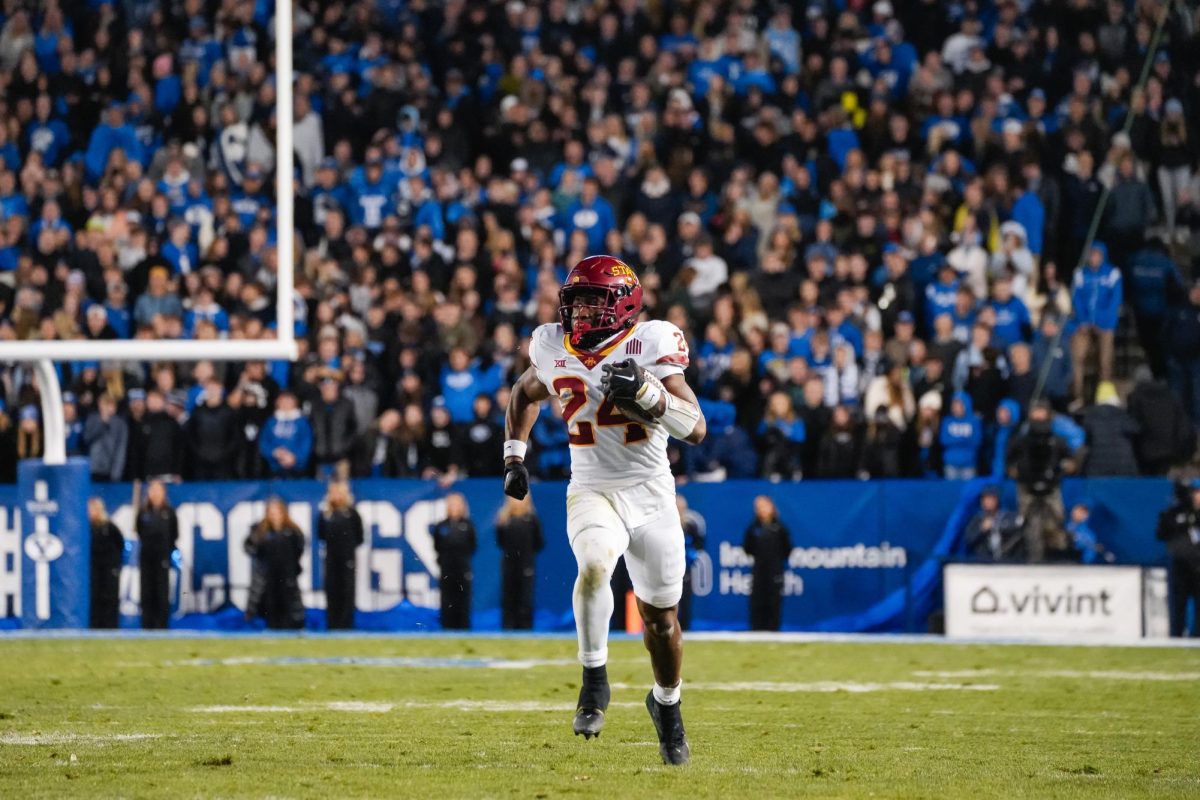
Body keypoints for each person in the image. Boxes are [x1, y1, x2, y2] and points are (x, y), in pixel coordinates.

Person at [502, 255, 707, 765]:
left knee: (662, 621)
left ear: (625, 304)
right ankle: (594, 680)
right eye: (576, 301)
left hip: (651, 493)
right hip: (591, 487)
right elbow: (524, 393)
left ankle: (667, 706)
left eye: (595, 300)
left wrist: (650, 396)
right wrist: (514, 455)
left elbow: (696, 427)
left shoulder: (653, 342)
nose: (582, 312)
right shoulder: (551, 346)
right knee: (594, 566)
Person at [1006, 402, 1074, 562]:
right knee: (1029, 527)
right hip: (1026, 489)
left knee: (1055, 526)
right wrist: (1016, 472)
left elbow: (1070, 462)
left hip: (1052, 489)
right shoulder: (1021, 440)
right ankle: (1033, 560)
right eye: (1035, 412)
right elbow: (1009, 462)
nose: (1038, 416)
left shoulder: (1058, 441)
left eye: (1041, 412)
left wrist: (1063, 468)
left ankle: (1058, 560)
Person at [244, 497, 306, 630]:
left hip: (287, 576)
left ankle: (291, 627)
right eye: (271, 512)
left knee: (289, 605)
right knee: (270, 605)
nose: (274, 515)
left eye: (277, 512)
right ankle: (271, 626)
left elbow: (299, 548)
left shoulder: (292, 531)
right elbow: (249, 547)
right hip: (268, 576)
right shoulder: (260, 531)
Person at [742, 496, 793, 632]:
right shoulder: (753, 528)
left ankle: (773, 630)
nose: (761, 510)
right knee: (757, 601)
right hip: (758, 571)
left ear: (771, 507)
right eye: (758, 507)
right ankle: (756, 630)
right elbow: (747, 548)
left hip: (774, 571)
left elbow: (787, 548)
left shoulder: (780, 528)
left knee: (774, 601)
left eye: (764, 506)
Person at [317, 481, 363, 630]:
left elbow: (359, 537)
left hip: (347, 558)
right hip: (331, 558)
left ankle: (346, 625)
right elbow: (321, 535)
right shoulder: (325, 514)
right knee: (331, 590)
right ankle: (332, 624)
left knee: (347, 591)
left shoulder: (351, 513)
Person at [1156, 481, 1200, 637]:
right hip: (1180, 564)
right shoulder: (1174, 513)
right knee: (1178, 603)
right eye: (1196, 492)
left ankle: (1197, 635)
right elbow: (1161, 534)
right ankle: (1176, 635)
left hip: (1198, 565)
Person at [495, 494, 544, 630]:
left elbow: (539, 542)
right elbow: (500, 541)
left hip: (526, 565)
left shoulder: (532, 519)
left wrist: (526, 557)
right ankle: (508, 628)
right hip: (509, 565)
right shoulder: (504, 520)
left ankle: (525, 628)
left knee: (525, 598)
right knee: (508, 597)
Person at [136, 479, 178, 629]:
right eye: (152, 490)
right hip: (146, 557)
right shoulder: (143, 511)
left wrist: (167, 550)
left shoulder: (169, 512)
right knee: (146, 592)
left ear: (164, 493)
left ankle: (162, 626)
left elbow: (174, 534)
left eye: (158, 490)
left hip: (162, 557)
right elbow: (140, 531)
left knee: (162, 592)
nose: (155, 494)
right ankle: (147, 625)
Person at [432, 492, 477, 630]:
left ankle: (463, 628)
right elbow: (437, 546)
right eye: (451, 504)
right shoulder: (441, 526)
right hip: (446, 569)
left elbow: (472, 545)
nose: (454, 507)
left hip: (463, 569)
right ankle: (447, 628)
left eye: (457, 504)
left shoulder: (468, 525)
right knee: (447, 600)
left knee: (463, 600)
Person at [1080, 382, 1139, 477]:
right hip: (1123, 465)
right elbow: (1135, 429)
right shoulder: (1122, 415)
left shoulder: (1090, 416)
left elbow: (1086, 441)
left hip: (1096, 466)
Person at [88, 497, 125, 628]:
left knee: (109, 598)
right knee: (94, 597)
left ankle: (110, 627)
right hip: (94, 568)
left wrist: (114, 564)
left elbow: (120, 543)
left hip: (109, 568)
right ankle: (95, 626)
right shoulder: (85, 528)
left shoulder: (109, 526)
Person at [964, 486, 1025, 562]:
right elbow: (969, 540)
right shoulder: (977, 520)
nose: (987, 502)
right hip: (985, 562)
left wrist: (998, 526)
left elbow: (1018, 529)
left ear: (997, 500)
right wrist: (982, 529)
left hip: (1008, 561)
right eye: (984, 499)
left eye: (991, 498)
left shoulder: (1009, 517)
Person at [676, 495, 706, 631]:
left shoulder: (691, 524)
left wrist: (691, 556)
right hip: (670, 567)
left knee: (685, 599)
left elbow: (699, 544)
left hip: (685, 567)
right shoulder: (666, 526)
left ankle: (685, 628)